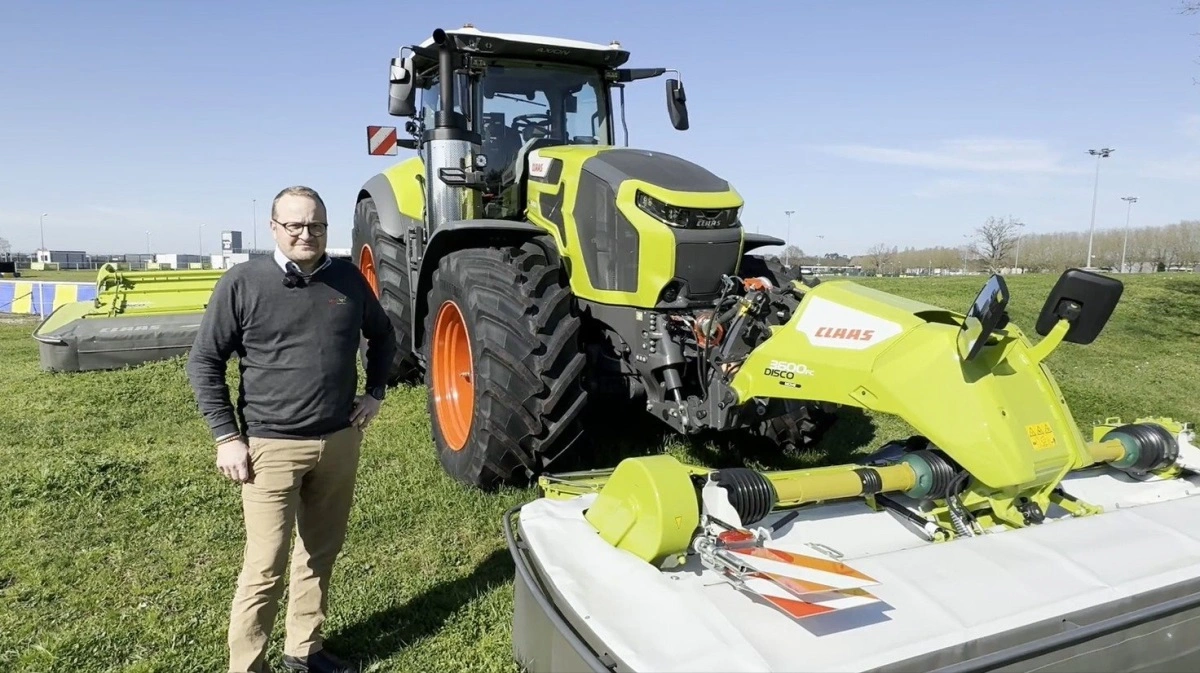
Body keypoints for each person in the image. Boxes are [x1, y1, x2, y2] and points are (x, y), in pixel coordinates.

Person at [186, 185, 397, 673]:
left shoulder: (345, 278)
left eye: (317, 225)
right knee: (265, 566)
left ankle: (305, 650)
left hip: (339, 441)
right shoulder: (243, 282)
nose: (307, 234)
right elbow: (204, 362)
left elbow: (382, 335)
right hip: (270, 447)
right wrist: (226, 436)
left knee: (320, 553)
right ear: (275, 228)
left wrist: (376, 393)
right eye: (296, 226)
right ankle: (248, 665)